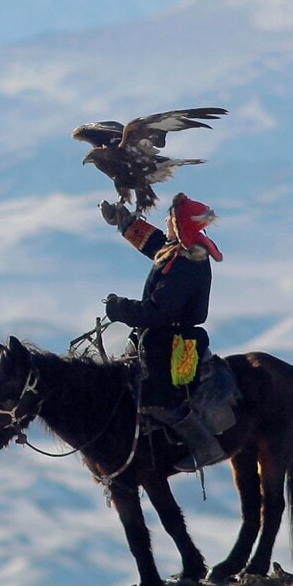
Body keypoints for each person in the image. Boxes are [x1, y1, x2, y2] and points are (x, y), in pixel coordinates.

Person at [99, 193, 224, 466]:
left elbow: (158, 313)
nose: (166, 220)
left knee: (160, 399)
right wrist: (125, 222)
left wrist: (119, 308)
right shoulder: (181, 251)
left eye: (170, 218)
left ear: (179, 226)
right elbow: (155, 244)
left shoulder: (184, 264)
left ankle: (205, 447)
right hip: (159, 337)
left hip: (172, 342)